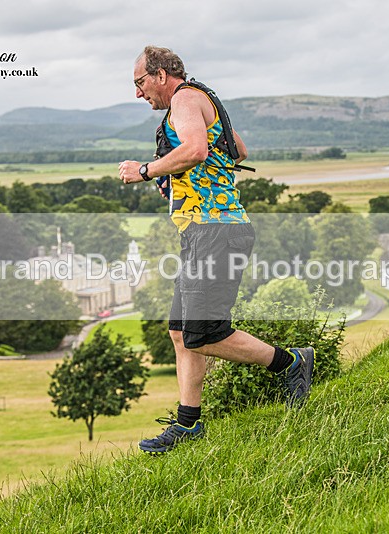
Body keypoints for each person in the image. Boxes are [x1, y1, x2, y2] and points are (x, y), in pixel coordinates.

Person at [119, 45, 314, 455]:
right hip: (204, 232)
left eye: (140, 83)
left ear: (159, 75)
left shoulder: (186, 98)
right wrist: (186, 177)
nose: (139, 94)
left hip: (216, 232)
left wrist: (145, 170)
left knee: (204, 334)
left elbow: (195, 150)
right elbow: (238, 150)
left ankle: (292, 363)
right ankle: (188, 425)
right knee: (180, 331)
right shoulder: (202, 100)